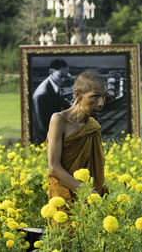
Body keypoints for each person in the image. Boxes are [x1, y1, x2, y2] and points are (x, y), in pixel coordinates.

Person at [46, 71, 108, 202]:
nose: (101, 103)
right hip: (64, 198)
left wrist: (95, 194)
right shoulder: (59, 120)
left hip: (91, 198)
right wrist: (87, 192)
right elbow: (53, 168)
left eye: (103, 96)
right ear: (77, 95)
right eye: (95, 96)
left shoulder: (92, 126)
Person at [32, 59, 71, 144]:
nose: (64, 79)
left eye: (66, 76)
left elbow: (62, 103)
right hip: (44, 142)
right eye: (61, 76)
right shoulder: (41, 95)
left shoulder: (53, 86)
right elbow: (43, 127)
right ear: (51, 71)